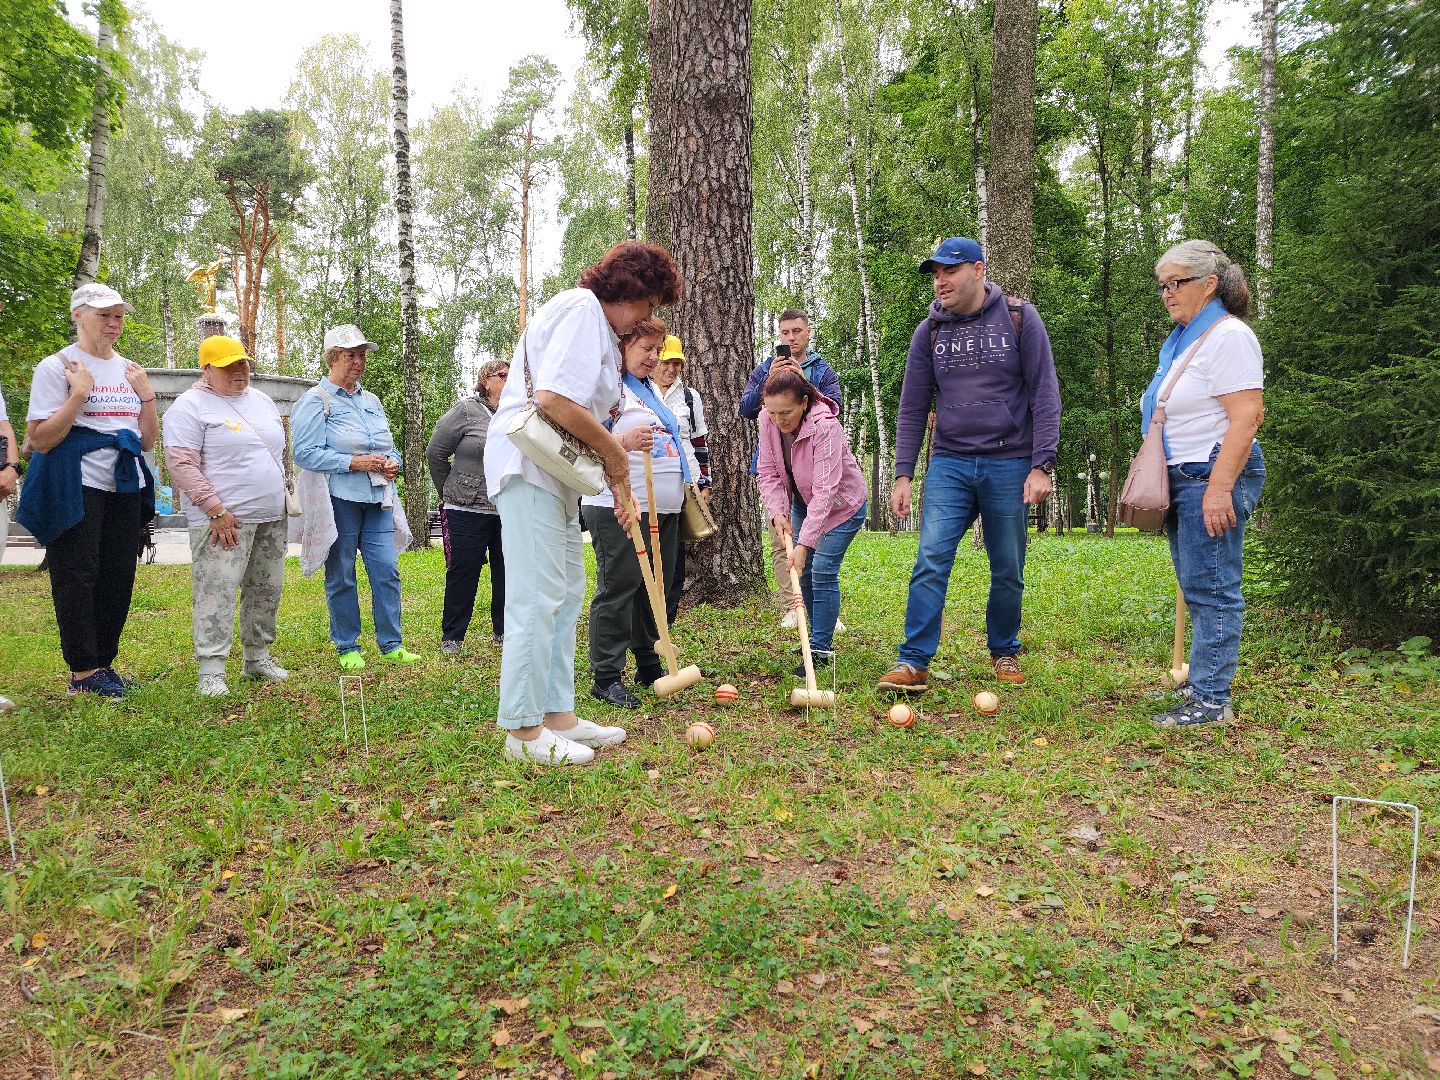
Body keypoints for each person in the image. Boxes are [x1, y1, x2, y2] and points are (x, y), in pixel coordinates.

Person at [485, 240, 683, 766]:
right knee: (536, 595)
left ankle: (557, 716)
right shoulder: (582, 309)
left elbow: (591, 420)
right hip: (526, 469)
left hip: (557, 478)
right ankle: (522, 731)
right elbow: (553, 399)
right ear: (631, 291)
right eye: (649, 303)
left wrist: (618, 484)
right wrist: (616, 459)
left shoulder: (600, 331)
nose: (646, 316)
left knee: (567, 590)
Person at [877, 237, 1060, 694]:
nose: (940, 281)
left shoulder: (1020, 318)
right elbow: (912, 406)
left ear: (978, 270)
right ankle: (913, 661)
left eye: (950, 271)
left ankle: (1004, 651)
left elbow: (1044, 392)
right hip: (950, 463)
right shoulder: (929, 332)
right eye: (936, 274)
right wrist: (903, 473)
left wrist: (1042, 464)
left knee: (1007, 566)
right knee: (931, 558)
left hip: (1010, 461)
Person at [18, 284, 157, 698]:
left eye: (119, 316)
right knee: (77, 574)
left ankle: (103, 665)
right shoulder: (57, 366)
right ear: (78, 315)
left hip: (124, 482)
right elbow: (41, 439)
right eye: (104, 315)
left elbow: (148, 440)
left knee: (119, 573)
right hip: (76, 483)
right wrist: (78, 394)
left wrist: (147, 395)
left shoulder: (130, 369)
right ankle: (82, 671)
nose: (114, 324)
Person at [1147, 241, 1265, 729]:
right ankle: (1202, 684)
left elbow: (1247, 416)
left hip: (1211, 473)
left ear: (1210, 283)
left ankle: (1212, 701)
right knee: (1198, 584)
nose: (1168, 293)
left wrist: (1219, 489)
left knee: (1214, 588)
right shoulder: (1184, 340)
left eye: (1177, 283)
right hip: (1185, 473)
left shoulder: (1228, 336)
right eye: (1162, 285)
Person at [163, 336, 290, 696]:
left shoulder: (261, 400)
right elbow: (181, 464)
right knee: (216, 591)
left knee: (266, 589)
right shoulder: (189, 406)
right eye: (228, 365)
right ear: (206, 369)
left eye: (243, 363)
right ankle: (212, 669)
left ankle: (257, 658)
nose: (239, 371)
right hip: (223, 520)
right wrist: (214, 509)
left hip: (270, 515)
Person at [292, 324, 419, 670]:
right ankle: (348, 646)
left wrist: (394, 462)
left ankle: (391, 644)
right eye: (351, 355)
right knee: (342, 573)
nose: (359, 362)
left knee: (387, 570)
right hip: (339, 500)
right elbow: (304, 453)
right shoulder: (315, 400)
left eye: (362, 355)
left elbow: (388, 446)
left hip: (378, 498)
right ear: (333, 358)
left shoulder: (371, 400)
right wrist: (352, 462)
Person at [581, 318, 693, 708]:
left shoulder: (647, 391)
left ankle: (647, 663)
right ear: (623, 345)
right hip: (618, 505)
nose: (654, 357)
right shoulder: (608, 387)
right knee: (621, 585)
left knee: (656, 588)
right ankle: (606, 675)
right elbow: (582, 438)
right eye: (646, 348)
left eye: (658, 350)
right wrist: (624, 441)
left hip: (662, 506)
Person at [757, 367, 868, 676]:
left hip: (842, 506)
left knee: (821, 570)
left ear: (804, 402)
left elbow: (825, 490)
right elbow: (768, 472)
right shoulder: (767, 420)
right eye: (773, 412)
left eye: (786, 413)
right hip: (804, 503)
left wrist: (805, 543)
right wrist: (778, 512)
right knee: (801, 573)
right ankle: (814, 638)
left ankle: (820, 650)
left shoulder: (826, 427)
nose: (779, 420)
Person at [739, 308, 843, 629]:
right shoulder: (764, 368)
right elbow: (746, 407)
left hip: (814, 468)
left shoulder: (822, 370)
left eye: (797, 331)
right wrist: (770, 380)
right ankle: (791, 605)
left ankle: (823, 609)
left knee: (820, 541)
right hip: (777, 466)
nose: (791, 338)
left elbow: (835, 407)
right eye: (785, 333)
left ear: (808, 332)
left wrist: (801, 383)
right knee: (781, 538)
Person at [427, 359, 509, 653]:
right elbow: (435, 453)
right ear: (486, 380)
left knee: (507, 571)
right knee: (464, 571)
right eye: (502, 375)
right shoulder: (466, 411)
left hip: (507, 506)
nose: (508, 379)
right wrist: (451, 490)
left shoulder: (517, 412)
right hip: (466, 507)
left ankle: (504, 631)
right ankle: (453, 636)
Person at [651, 334, 710, 623]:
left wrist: (705, 483)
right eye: (666, 362)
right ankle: (647, 616)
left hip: (684, 483)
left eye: (676, 363)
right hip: (649, 481)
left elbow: (699, 442)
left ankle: (667, 617)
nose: (671, 369)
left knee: (674, 552)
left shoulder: (689, 397)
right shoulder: (640, 391)